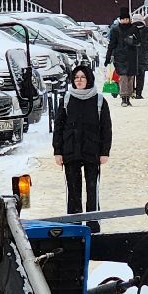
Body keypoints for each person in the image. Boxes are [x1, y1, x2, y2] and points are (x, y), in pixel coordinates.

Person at [52, 65, 111, 218]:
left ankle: (93, 224)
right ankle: (74, 225)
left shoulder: (99, 100)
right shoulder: (66, 99)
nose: (79, 80)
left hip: (92, 150)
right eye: (76, 78)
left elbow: (106, 128)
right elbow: (58, 127)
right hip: (70, 150)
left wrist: (105, 152)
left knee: (92, 190)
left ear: (88, 79)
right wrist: (57, 151)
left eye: (82, 77)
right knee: (73, 191)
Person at [106, 10, 146, 107]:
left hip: (132, 56)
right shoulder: (115, 30)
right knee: (123, 77)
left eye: (127, 19)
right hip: (120, 57)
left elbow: (139, 42)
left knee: (130, 77)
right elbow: (111, 44)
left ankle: (128, 97)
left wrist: (132, 41)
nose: (125, 21)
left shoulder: (134, 29)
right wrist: (108, 57)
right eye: (123, 19)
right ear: (120, 19)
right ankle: (124, 98)